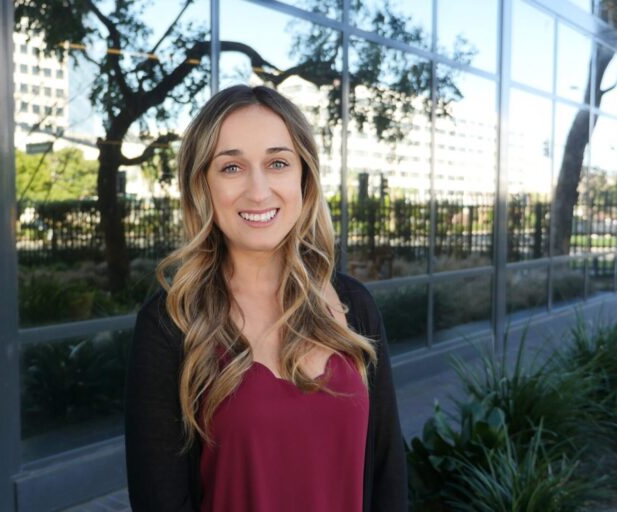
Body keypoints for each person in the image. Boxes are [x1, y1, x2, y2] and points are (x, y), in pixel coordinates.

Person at [124, 84, 407, 512]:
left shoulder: (353, 306)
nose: (258, 191)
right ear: (203, 183)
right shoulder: (171, 323)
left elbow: (390, 476)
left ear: (303, 178)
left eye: (277, 163)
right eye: (232, 167)